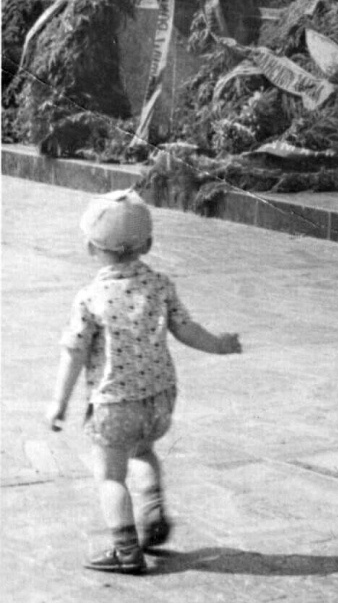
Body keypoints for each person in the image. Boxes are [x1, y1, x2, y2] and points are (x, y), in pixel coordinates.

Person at [46, 188, 242, 574]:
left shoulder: (90, 297)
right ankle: (152, 513)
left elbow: (74, 354)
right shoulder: (160, 286)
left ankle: (125, 551)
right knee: (143, 452)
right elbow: (188, 331)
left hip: (114, 406)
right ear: (148, 244)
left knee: (111, 478)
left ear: (91, 247)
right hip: (159, 401)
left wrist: (58, 402)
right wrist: (220, 345)